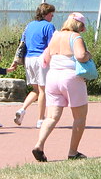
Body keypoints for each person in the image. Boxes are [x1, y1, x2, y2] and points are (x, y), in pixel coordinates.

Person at [32, 12, 91, 162]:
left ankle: (39, 145)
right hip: (71, 77)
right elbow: (80, 55)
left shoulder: (56, 36)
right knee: (79, 117)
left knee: (51, 116)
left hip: (52, 77)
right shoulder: (75, 37)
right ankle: (73, 152)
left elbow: (45, 58)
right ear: (79, 25)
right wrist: (88, 56)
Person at [9, 3, 56, 129]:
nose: (52, 16)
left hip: (28, 59)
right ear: (46, 13)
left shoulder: (29, 25)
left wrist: (16, 60)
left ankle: (22, 109)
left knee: (36, 90)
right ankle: (41, 119)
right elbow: (52, 45)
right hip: (41, 59)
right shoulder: (49, 26)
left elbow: (22, 43)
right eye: (51, 13)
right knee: (43, 90)